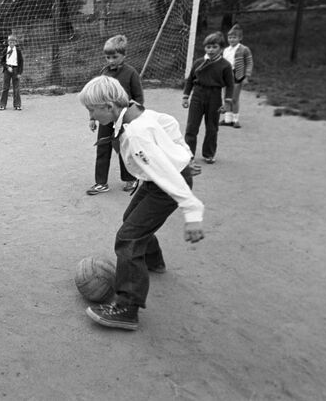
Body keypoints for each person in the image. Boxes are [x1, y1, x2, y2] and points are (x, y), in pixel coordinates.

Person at [78, 75, 204, 331]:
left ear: (109, 106)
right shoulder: (136, 113)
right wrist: (183, 154)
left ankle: (127, 307)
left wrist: (192, 212)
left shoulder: (136, 134)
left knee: (128, 238)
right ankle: (153, 261)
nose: (90, 115)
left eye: (92, 110)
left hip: (166, 184)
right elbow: (167, 122)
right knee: (131, 221)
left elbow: (167, 175)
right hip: (156, 180)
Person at [87, 35, 144, 195]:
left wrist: (135, 118)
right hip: (106, 118)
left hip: (124, 119)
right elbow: (96, 98)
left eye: (115, 57)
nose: (111, 60)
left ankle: (130, 178)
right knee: (102, 148)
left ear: (124, 56)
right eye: (108, 57)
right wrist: (92, 118)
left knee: (124, 149)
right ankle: (101, 183)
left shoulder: (131, 73)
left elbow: (139, 98)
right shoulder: (104, 73)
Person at [182, 31, 234, 164]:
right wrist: (186, 97)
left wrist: (227, 103)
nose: (211, 50)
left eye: (214, 47)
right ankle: (189, 154)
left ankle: (209, 154)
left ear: (221, 48)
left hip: (214, 97)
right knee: (191, 127)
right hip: (198, 95)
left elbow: (230, 85)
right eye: (208, 47)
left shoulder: (225, 66)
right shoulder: (199, 63)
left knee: (212, 127)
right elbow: (190, 80)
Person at [221, 24, 254, 128]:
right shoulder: (225, 50)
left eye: (234, 37)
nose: (231, 39)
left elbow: (249, 62)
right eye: (230, 37)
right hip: (226, 76)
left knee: (234, 98)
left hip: (237, 76)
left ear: (240, 38)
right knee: (226, 98)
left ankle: (235, 120)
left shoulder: (244, 49)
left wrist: (246, 76)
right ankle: (227, 119)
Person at [0, 34, 24, 111]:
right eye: (10, 42)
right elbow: (2, 61)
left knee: (16, 88)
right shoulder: (5, 50)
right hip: (7, 70)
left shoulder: (18, 51)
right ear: (8, 42)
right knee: (5, 87)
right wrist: (7, 67)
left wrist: (19, 73)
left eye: (13, 42)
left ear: (15, 43)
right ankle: (2, 105)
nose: (11, 44)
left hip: (15, 70)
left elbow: (21, 62)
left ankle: (17, 104)